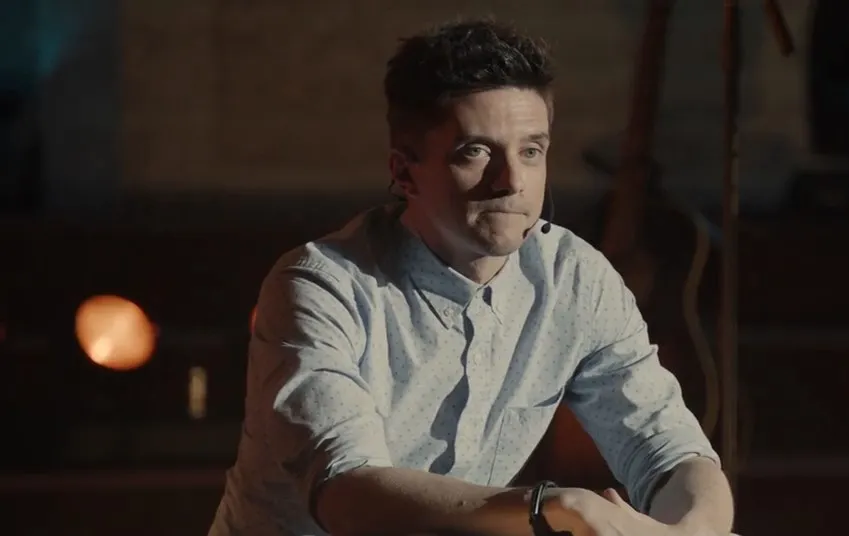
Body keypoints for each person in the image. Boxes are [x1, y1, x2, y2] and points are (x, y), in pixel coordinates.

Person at [207, 19, 734, 536]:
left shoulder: (574, 278)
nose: (512, 181)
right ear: (404, 172)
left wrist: (692, 531)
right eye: (476, 152)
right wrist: (548, 508)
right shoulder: (321, 288)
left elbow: (671, 452)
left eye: (531, 151)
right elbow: (349, 497)